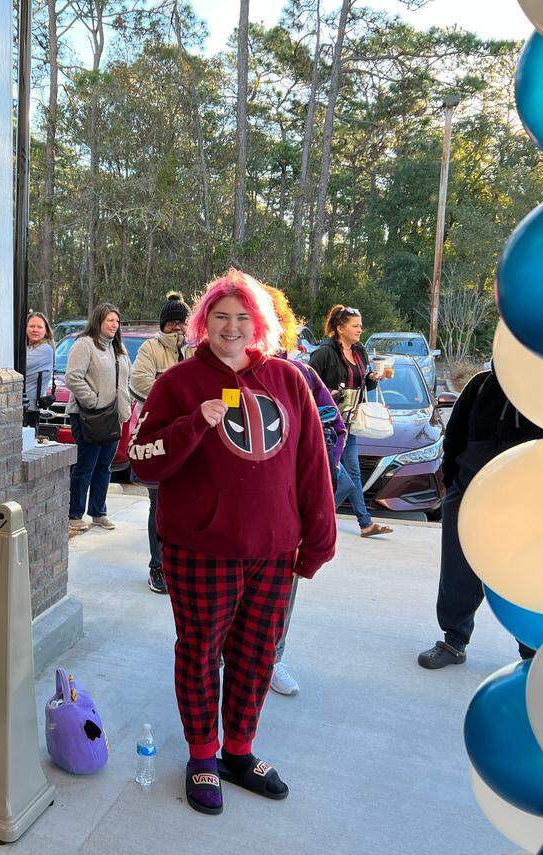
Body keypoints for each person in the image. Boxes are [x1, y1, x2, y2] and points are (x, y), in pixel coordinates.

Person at [129, 269, 336, 815]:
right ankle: (203, 755)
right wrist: (192, 425)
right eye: (220, 316)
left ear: (259, 323)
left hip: (273, 549)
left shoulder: (288, 380)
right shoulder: (178, 383)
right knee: (200, 654)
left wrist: (319, 537)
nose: (232, 327)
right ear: (204, 322)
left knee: (257, 655)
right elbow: (140, 460)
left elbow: (311, 463)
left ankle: (239, 751)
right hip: (200, 549)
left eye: (243, 316)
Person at [418, 368, 543, 669]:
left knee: (523, 576)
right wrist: (454, 483)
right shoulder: (481, 384)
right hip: (469, 494)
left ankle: (531, 652)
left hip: (525, 502)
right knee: (458, 571)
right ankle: (454, 641)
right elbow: (454, 436)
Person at [264, 284, 347, 697]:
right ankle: (226, 656)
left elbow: (333, 426)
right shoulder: (214, 375)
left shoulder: (301, 375)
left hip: (285, 511)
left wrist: (310, 480)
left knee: (280, 590)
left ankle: (272, 658)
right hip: (227, 517)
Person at [309, 305, 393, 538]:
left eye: (360, 325)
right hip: (327, 427)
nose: (360, 330)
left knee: (353, 475)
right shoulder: (323, 353)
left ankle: (365, 524)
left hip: (350, 423)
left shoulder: (359, 351)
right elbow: (305, 385)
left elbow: (363, 383)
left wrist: (374, 378)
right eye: (355, 326)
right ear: (340, 328)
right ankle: (314, 521)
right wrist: (329, 394)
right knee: (343, 482)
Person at [130, 291, 193, 594]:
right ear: (163, 324)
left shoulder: (197, 349)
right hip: (158, 438)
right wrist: (179, 393)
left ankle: (180, 563)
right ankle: (157, 566)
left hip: (191, 438)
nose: (177, 327)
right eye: (172, 322)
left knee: (188, 502)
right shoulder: (150, 348)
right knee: (158, 504)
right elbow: (139, 381)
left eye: (182, 321)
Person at [64, 302, 131, 534]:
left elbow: (126, 381)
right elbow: (73, 377)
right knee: (85, 466)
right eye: (110, 320)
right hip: (88, 417)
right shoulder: (85, 345)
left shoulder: (119, 348)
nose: (115, 325)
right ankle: (74, 514)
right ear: (98, 321)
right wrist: (92, 401)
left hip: (112, 418)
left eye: (117, 321)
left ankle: (98, 512)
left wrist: (124, 409)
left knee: (104, 467)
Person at [23, 311, 55, 429]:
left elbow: (18, 366)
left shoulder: (45, 349)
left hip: (30, 410)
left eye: (40, 327)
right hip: (18, 407)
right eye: (32, 326)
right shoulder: (26, 347)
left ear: (46, 330)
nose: (35, 330)